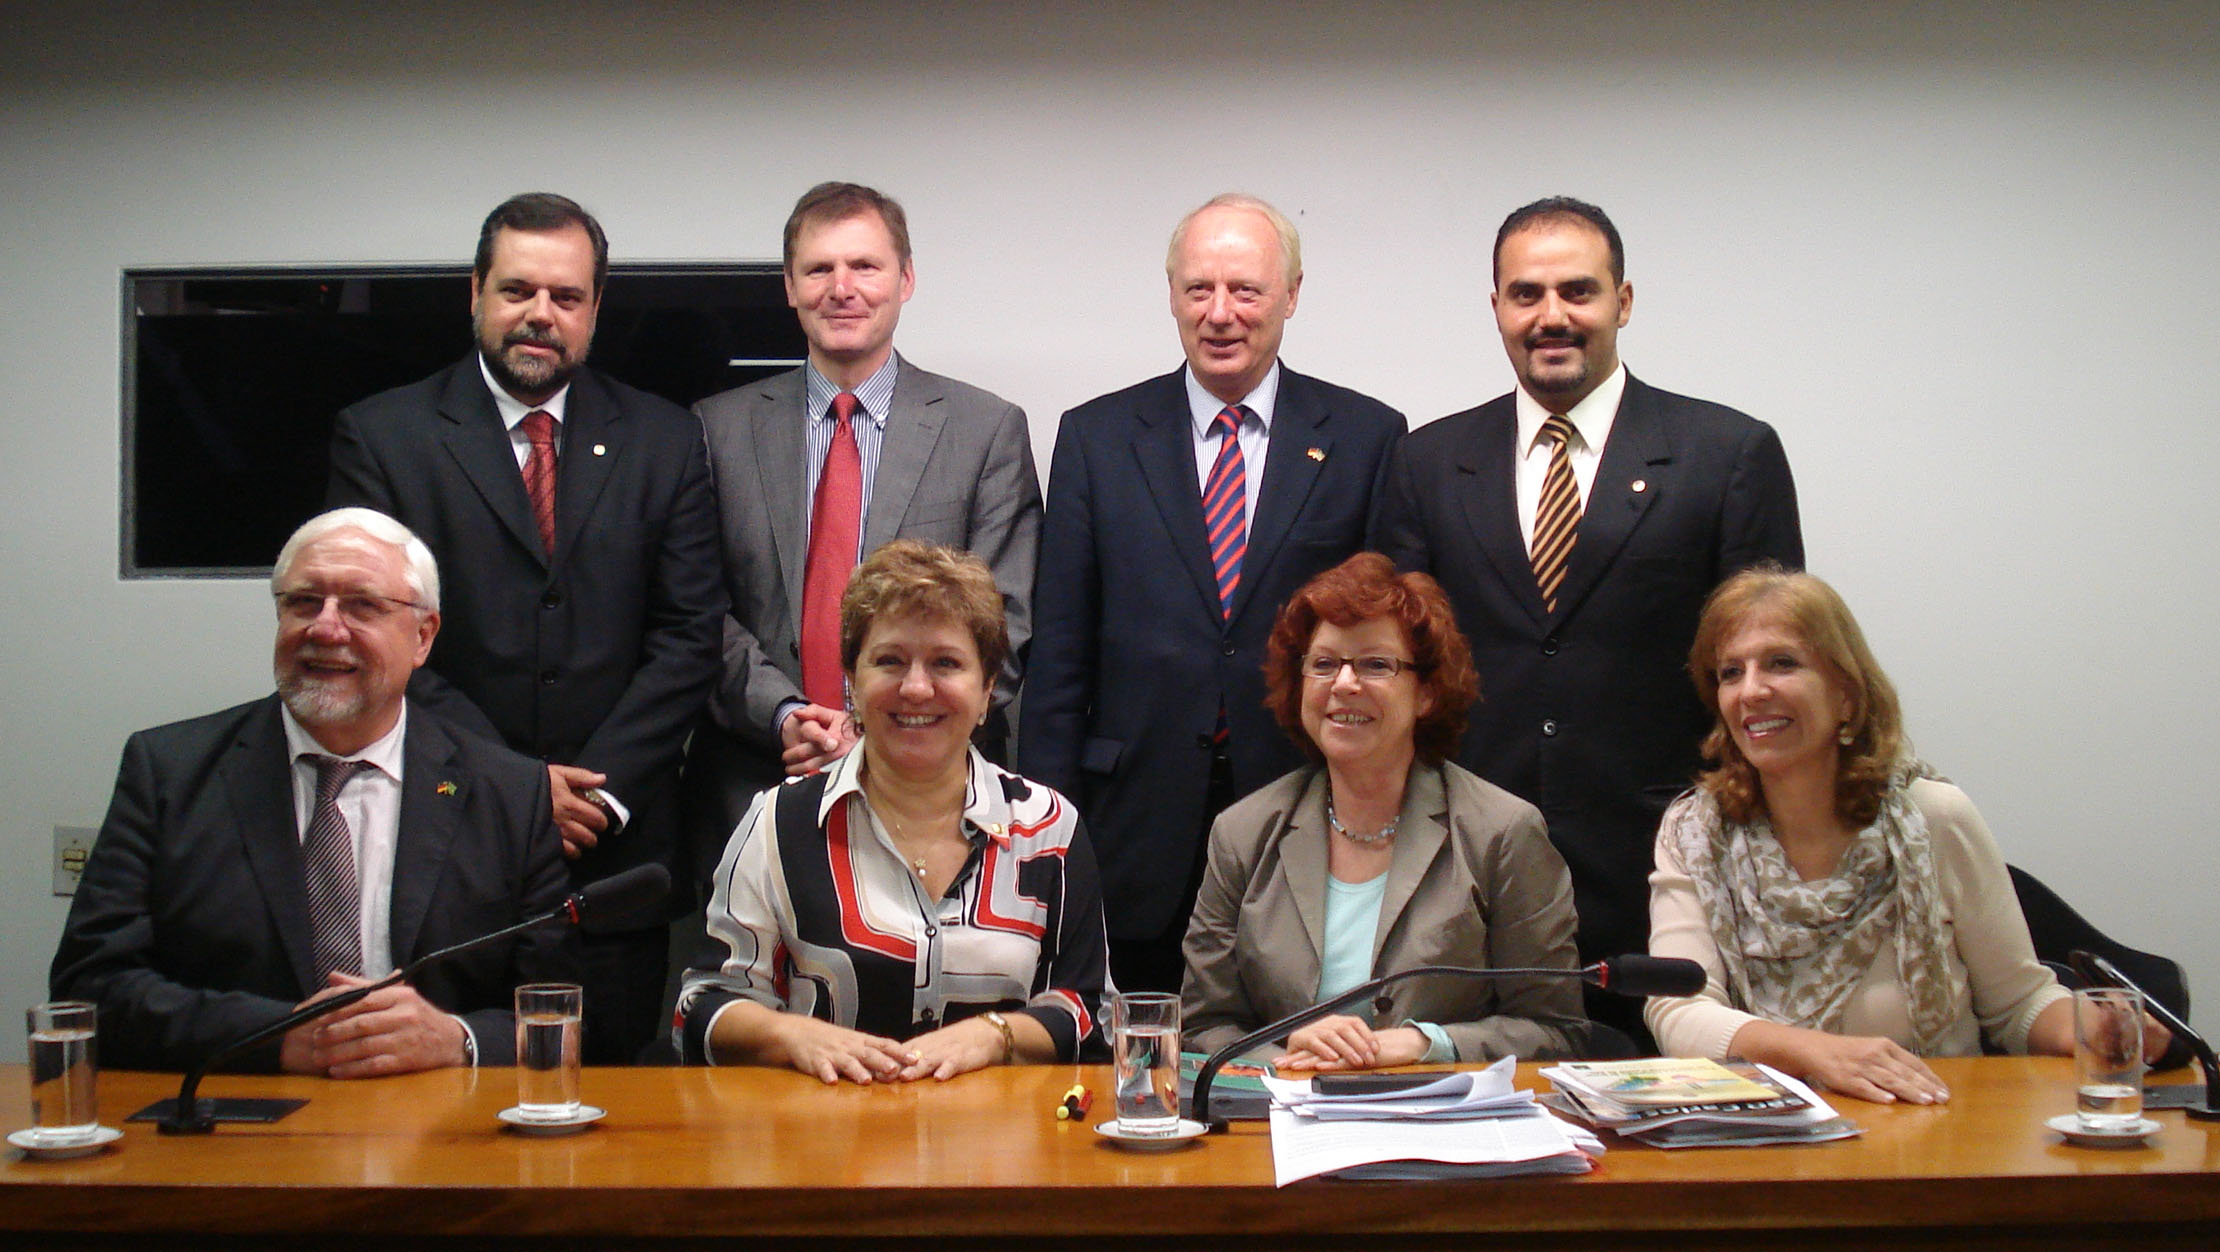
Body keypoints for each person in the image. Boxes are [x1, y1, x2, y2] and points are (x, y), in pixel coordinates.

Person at [1372, 196, 1802, 1042]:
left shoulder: (1727, 455)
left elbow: (1775, 680)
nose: (1552, 316)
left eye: (1578, 291)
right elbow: (1401, 672)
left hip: (1665, 870)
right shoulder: (1426, 462)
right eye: (1526, 294)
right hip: (1468, 879)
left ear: (1624, 301)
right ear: (1495, 306)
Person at [327, 192, 721, 1063]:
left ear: (593, 311)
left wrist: (599, 791)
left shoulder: (664, 438)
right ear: (475, 292)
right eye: (518, 290)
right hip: (449, 837)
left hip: (613, 854)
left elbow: (690, 636)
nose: (541, 315)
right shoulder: (385, 437)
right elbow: (373, 639)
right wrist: (514, 786)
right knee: (440, 1106)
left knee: (611, 1109)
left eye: (567, 297)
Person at [1021, 193, 1405, 993]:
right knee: (1138, 1061)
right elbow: (1060, 655)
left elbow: (1383, 653)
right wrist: (1048, 833)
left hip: (1305, 809)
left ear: (1292, 295)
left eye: (1247, 290)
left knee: (1298, 1053)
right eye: (1199, 289)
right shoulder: (1096, 438)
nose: (1220, 313)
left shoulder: (1367, 439)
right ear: (1171, 294)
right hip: (1131, 820)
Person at [51, 508, 576, 1074]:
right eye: (304, 602)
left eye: (362, 605)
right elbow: (90, 990)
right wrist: (276, 1037)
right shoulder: (169, 774)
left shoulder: (508, 793)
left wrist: (457, 1038)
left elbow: (564, 1011)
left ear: (423, 637)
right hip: (234, 1131)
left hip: (439, 1133)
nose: (326, 628)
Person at [1646, 564, 2169, 1103]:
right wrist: (1813, 1052)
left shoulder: (1934, 817)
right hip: (1767, 1145)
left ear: (1847, 695)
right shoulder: (1693, 835)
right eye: (1731, 672)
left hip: (1931, 1133)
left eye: (1781, 663)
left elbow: (2019, 1004)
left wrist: (2093, 1030)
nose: (1751, 691)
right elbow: (1678, 1010)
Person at [682, 181, 1041, 888]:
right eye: (819, 270)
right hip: (751, 791)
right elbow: (694, 610)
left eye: (865, 267)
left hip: (930, 803)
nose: (841, 288)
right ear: (789, 286)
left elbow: (1005, 624)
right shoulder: (713, 429)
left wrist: (871, 732)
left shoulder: (985, 430)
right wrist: (786, 715)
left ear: (905, 279)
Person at [679, 540, 1108, 1082]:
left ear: (987, 691)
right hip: (821, 1148)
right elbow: (703, 1007)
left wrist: (995, 1035)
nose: (915, 687)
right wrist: (793, 1035)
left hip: (1003, 1152)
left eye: (946, 663)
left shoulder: (1048, 827)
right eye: (889, 661)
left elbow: (1092, 1013)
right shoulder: (778, 822)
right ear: (852, 683)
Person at [1182, 554, 1588, 1067]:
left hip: (1440, 1127)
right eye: (1324, 664)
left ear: (1426, 692)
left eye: (1376, 664)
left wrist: (1426, 1044)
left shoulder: (1502, 832)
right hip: (1283, 1124)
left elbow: (1556, 1030)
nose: (1344, 684)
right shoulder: (1242, 834)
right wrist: (1282, 1052)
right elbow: (1200, 1029)